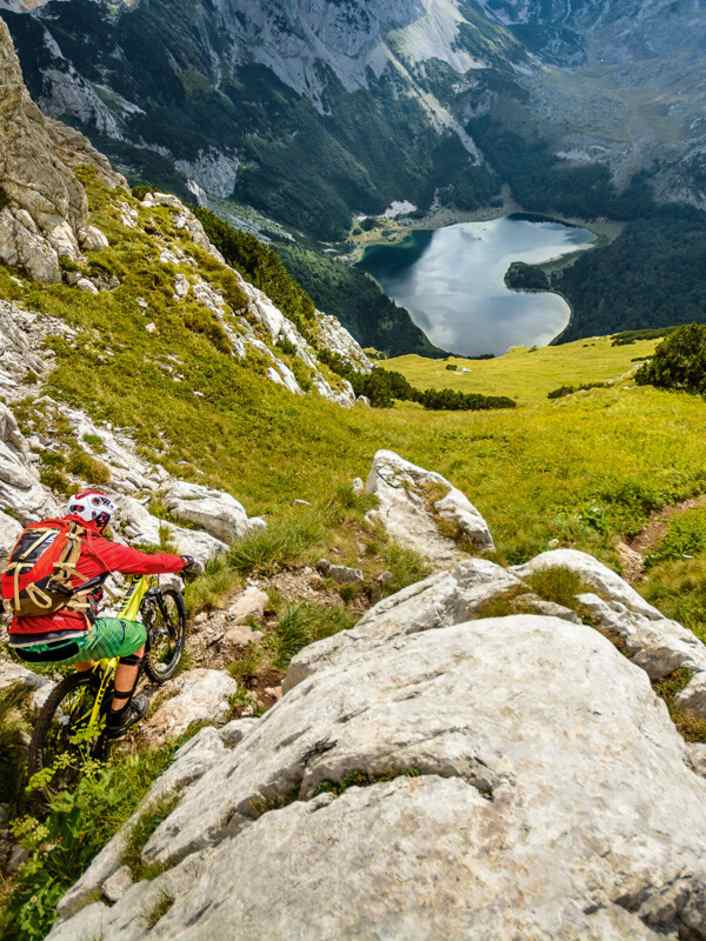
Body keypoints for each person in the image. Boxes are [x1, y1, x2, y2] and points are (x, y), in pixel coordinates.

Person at [5, 489, 198, 739]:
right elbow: (147, 563)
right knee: (138, 637)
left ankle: (91, 682)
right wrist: (184, 562)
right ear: (100, 518)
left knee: (75, 628)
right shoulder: (95, 545)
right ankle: (118, 719)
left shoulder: (41, 537)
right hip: (65, 638)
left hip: (22, 643)